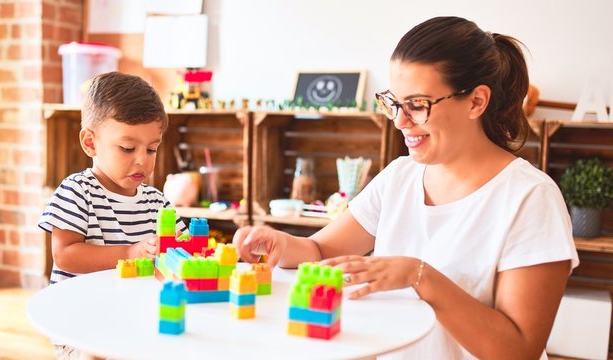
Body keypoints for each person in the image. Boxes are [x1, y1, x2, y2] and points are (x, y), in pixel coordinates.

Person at [234, 16, 578, 359]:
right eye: (394, 102)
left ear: (476, 101)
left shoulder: (530, 198)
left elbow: (519, 351)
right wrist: (280, 242)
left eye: (417, 105)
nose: (400, 120)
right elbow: (322, 253)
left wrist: (420, 276)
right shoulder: (399, 177)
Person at [38, 72, 186, 359]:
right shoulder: (77, 191)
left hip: (136, 321)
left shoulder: (156, 202)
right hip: (82, 325)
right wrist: (130, 253)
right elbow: (65, 254)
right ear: (90, 143)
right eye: (128, 148)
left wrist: (184, 250)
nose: (142, 159)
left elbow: (176, 249)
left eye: (152, 148)